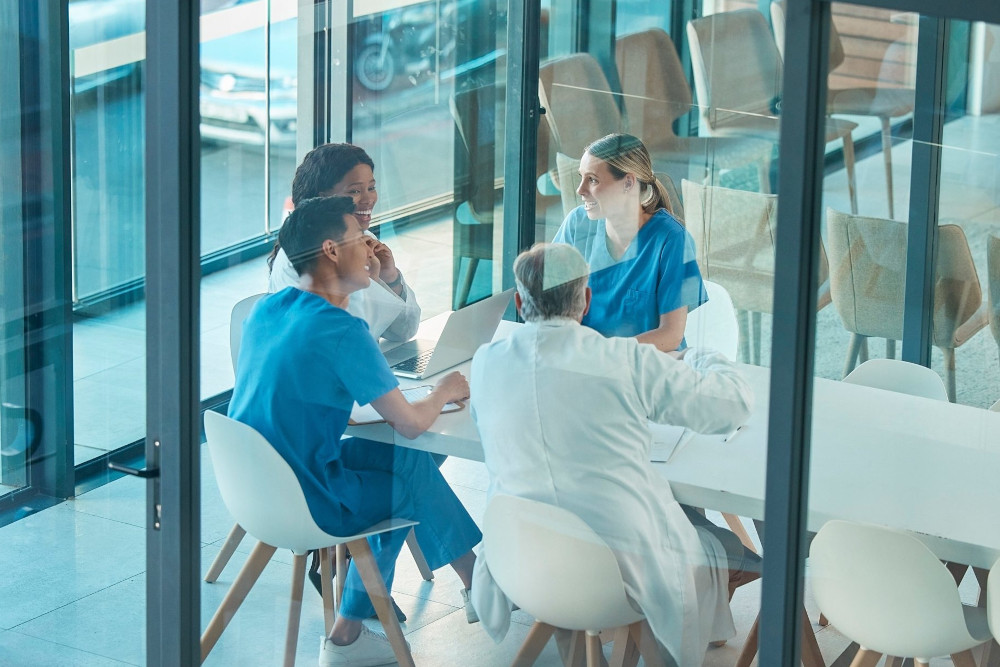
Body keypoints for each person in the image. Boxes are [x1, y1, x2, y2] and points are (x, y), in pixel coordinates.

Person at [469, 243, 760, 666]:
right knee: (712, 545)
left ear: (519, 301)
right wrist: (699, 354)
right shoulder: (622, 360)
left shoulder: (486, 362)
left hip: (524, 564)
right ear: (586, 300)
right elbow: (730, 406)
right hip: (616, 575)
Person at [230, 196, 481, 667]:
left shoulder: (266, 310)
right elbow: (408, 424)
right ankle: (349, 634)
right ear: (330, 250)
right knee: (401, 486)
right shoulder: (342, 330)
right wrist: (443, 389)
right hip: (308, 499)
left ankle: (476, 584)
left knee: (406, 464)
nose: (370, 249)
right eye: (360, 240)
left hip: (256, 487)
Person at [553, 133, 705, 352]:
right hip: (587, 363)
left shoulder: (671, 238)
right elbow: (553, 303)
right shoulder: (577, 225)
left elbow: (671, 335)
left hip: (647, 366)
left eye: (592, 180)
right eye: (581, 177)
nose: (580, 190)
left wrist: (605, 353)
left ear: (628, 183)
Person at [269, 143, 420, 342]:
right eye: (355, 192)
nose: (368, 199)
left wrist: (390, 278)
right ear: (324, 199)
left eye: (371, 188)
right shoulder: (302, 258)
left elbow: (404, 331)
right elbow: (346, 340)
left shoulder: (363, 240)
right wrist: (371, 282)